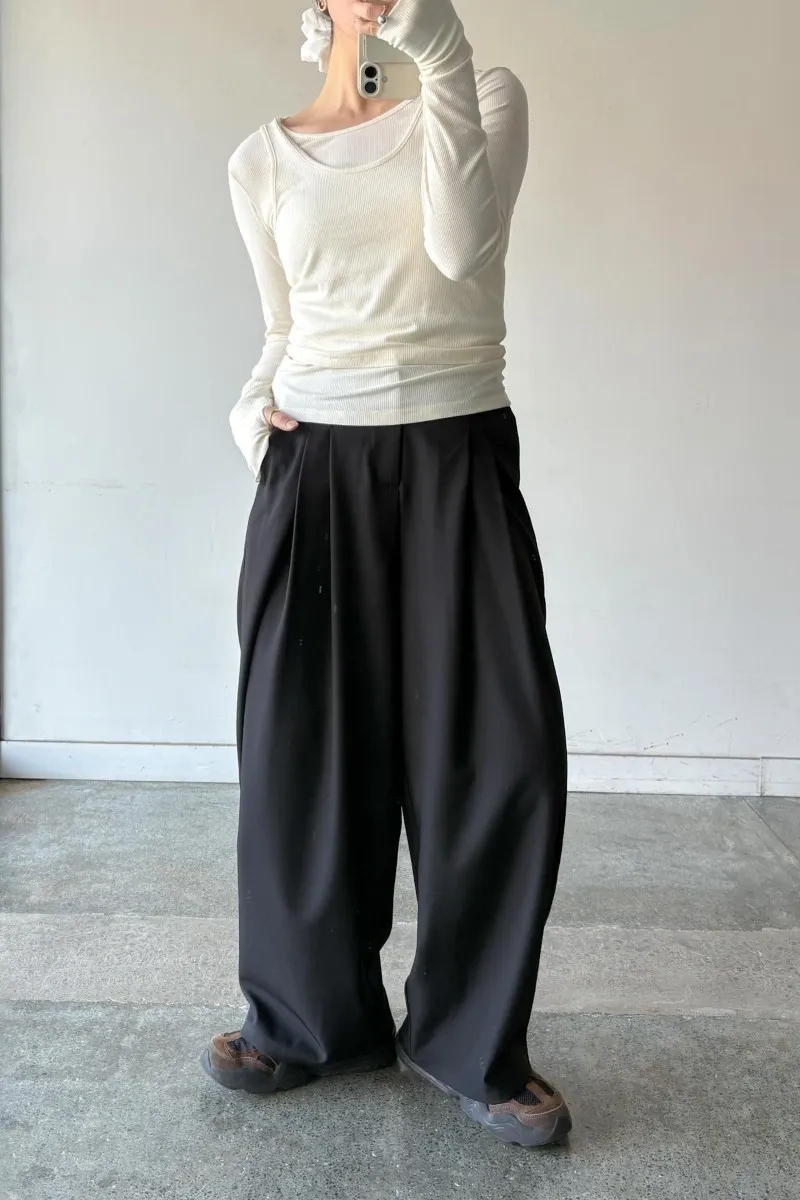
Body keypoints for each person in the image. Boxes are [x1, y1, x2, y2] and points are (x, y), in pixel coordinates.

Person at [201, 0, 571, 1149]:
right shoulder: (259, 161)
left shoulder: (480, 95)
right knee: (302, 756)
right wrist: (249, 415)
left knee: (498, 754)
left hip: (456, 452)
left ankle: (472, 1042)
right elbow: (282, 326)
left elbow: (459, 251)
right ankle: (308, 1022)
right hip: (314, 464)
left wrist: (436, 44)